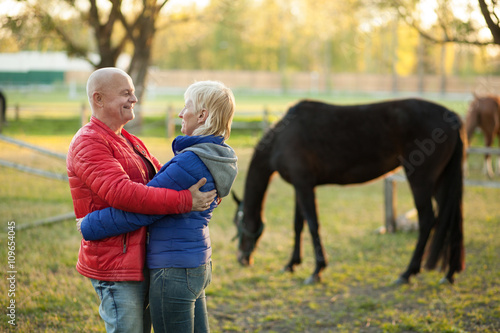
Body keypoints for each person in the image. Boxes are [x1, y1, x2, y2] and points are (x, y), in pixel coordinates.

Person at [79, 80, 238, 332]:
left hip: (174, 266)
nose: (180, 113)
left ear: (202, 115)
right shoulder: (217, 155)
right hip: (195, 260)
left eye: (186, 106)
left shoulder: (190, 162)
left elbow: (144, 207)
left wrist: (91, 224)